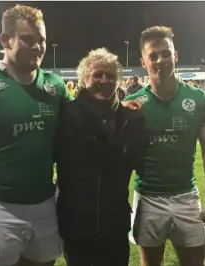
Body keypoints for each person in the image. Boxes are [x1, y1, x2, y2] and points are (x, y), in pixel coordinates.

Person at [0, 4, 73, 266]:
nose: (37, 46)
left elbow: (83, 119)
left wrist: (119, 106)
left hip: (45, 204)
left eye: (42, 40)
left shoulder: (55, 85)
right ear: (5, 40)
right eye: (28, 39)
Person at [55, 48, 148, 266]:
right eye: (97, 75)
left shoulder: (131, 119)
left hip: (115, 225)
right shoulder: (65, 116)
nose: (103, 80)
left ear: (118, 81)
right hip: (75, 224)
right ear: (84, 79)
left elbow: (141, 161)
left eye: (110, 76)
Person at [124, 26, 205, 266]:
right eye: (153, 56)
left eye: (166, 53)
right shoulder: (133, 104)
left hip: (187, 197)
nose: (161, 60)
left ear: (176, 55)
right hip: (148, 198)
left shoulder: (198, 99)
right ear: (143, 61)